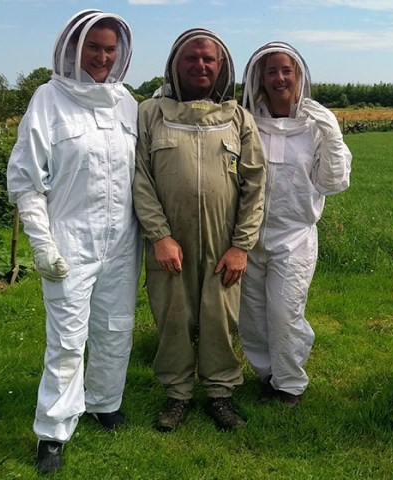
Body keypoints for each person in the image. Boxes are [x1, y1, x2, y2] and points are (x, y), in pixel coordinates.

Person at [6, 9, 141, 475]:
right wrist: (42, 243)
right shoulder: (47, 100)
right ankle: (54, 431)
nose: (103, 57)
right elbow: (26, 180)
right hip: (70, 240)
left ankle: (105, 401)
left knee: (116, 326)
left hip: (123, 241)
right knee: (66, 339)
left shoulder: (127, 103)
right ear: (73, 48)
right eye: (94, 48)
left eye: (110, 50)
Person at [132, 29, 266, 432]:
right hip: (170, 243)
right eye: (191, 58)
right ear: (175, 64)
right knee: (173, 317)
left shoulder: (239, 118)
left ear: (221, 65)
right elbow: (140, 178)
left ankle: (220, 395)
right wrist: (159, 235)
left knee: (219, 318)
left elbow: (255, 184)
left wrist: (242, 246)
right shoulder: (149, 114)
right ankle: (177, 395)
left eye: (209, 59)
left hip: (224, 244)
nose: (200, 65)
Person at [239, 43, 352, 405]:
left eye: (286, 70)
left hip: (295, 235)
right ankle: (268, 374)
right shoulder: (246, 122)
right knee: (252, 314)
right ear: (259, 78)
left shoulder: (315, 125)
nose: (280, 78)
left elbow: (333, 183)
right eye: (271, 71)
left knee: (285, 311)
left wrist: (332, 134)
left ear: (299, 75)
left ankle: (289, 383)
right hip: (248, 234)